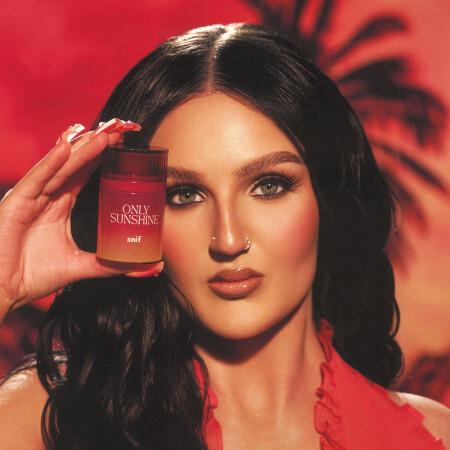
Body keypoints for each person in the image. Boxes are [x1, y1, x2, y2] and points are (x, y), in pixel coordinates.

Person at [0, 23, 448, 449]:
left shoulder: (433, 434)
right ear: (137, 218)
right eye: (184, 195)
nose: (228, 240)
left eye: (269, 186)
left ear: (326, 200)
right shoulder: (49, 419)